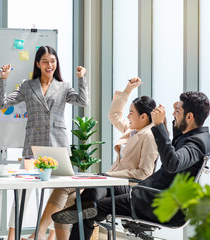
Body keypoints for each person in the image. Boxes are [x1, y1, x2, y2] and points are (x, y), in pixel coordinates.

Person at [52, 91, 210, 240]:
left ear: (190, 116)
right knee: (100, 183)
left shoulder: (196, 143)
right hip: (147, 192)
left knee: (90, 212)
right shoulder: (194, 135)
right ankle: (82, 207)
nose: (173, 114)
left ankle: (81, 210)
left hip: (155, 201)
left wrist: (158, 126)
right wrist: (173, 117)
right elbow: (178, 142)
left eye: (177, 111)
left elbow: (173, 163)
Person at [25, 77, 159, 240]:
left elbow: (144, 174)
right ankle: (43, 231)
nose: (128, 116)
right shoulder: (131, 130)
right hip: (110, 183)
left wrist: (110, 176)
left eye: (131, 113)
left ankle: (44, 230)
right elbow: (114, 115)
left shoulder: (149, 135)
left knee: (85, 198)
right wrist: (127, 90)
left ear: (143, 117)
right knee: (65, 188)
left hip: (127, 186)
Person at [0, 46, 88, 239]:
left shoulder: (63, 86)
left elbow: (82, 101)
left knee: (60, 193)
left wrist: (82, 78)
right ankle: (12, 235)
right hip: (33, 147)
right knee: (22, 193)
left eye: (53, 61)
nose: (49, 65)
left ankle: (52, 235)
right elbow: (2, 104)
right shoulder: (28, 86)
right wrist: (3, 80)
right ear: (37, 63)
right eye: (45, 61)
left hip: (58, 146)